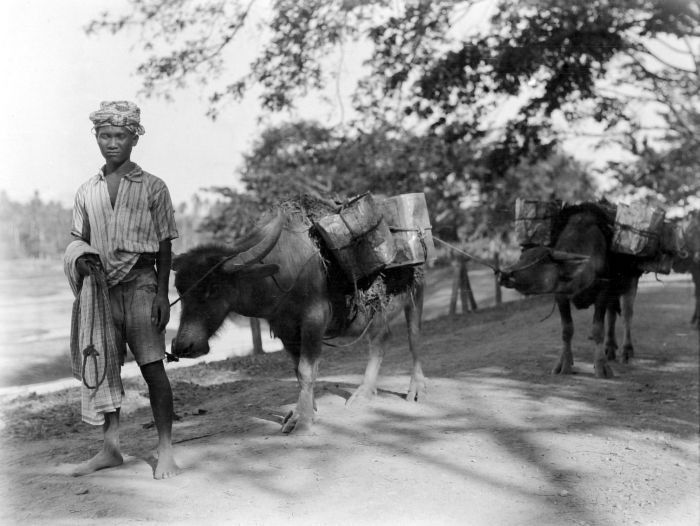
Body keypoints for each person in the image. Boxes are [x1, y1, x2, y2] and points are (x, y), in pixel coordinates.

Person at [67, 100, 180, 479]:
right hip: (100, 291)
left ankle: (165, 450)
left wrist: (162, 295)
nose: (112, 142)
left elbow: (165, 244)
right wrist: (81, 260)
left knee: (152, 368)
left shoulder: (153, 187)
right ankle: (110, 448)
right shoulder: (86, 191)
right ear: (96, 137)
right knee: (104, 369)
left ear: (134, 139)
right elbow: (77, 241)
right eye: (105, 135)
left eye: (120, 136)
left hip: (142, 284)